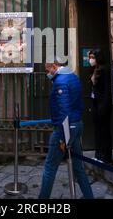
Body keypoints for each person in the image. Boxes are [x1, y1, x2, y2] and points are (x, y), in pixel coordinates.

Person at [39, 61, 94, 199]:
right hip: (77, 124)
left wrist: (63, 138)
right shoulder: (73, 76)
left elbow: (63, 111)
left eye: (48, 70)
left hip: (64, 129)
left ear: (54, 67)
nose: (47, 74)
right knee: (78, 168)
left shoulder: (60, 82)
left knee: (50, 167)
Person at [88, 49, 112, 163]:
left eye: (93, 57)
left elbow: (106, 89)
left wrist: (104, 105)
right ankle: (98, 154)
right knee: (98, 131)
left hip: (102, 104)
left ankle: (105, 156)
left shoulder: (104, 70)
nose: (91, 59)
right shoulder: (96, 69)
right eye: (90, 57)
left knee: (104, 131)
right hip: (96, 103)